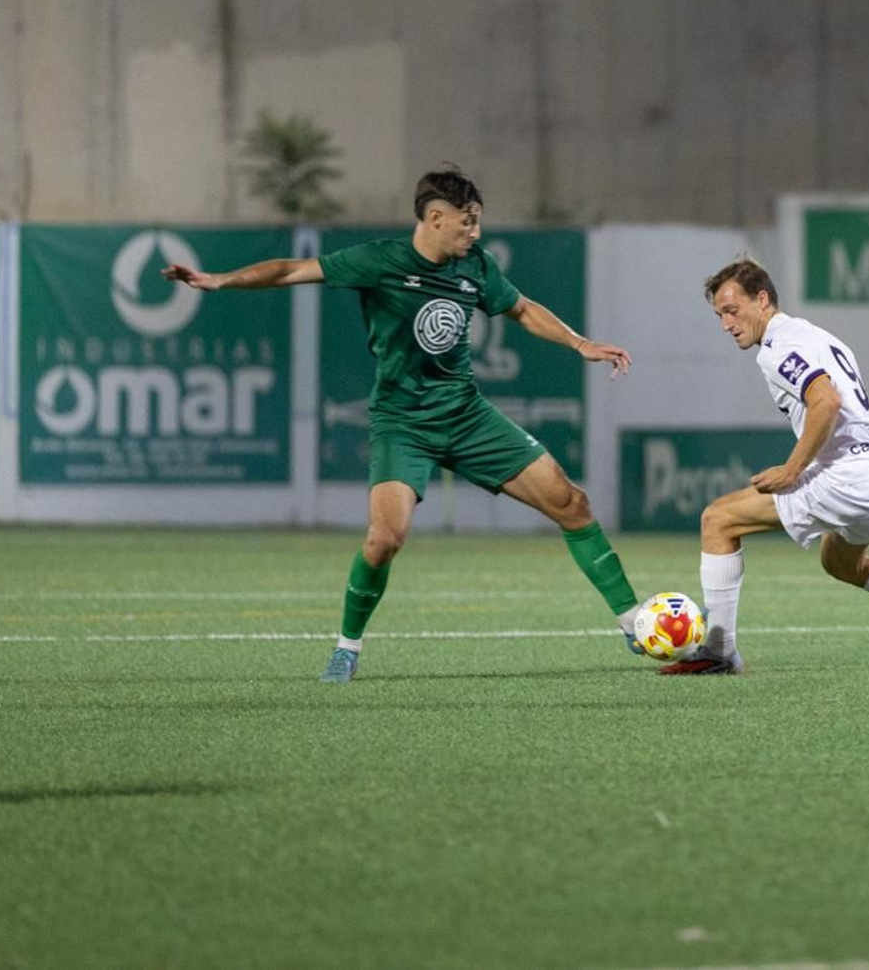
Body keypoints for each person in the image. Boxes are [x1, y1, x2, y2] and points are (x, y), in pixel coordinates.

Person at [162, 166, 645, 682]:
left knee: (572, 503)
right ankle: (347, 648)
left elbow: (522, 310)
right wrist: (219, 280)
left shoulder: (476, 267)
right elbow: (288, 270)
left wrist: (579, 343)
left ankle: (633, 621)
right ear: (435, 219)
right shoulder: (379, 261)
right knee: (384, 539)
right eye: (469, 222)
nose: (476, 233)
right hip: (402, 425)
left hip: (466, 415)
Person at [662, 257, 869, 675]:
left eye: (732, 310)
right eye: (719, 314)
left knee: (718, 520)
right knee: (840, 562)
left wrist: (793, 470)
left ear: (762, 299)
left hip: (850, 477)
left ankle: (719, 651)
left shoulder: (778, 348)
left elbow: (825, 401)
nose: (726, 323)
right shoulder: (811, 333)